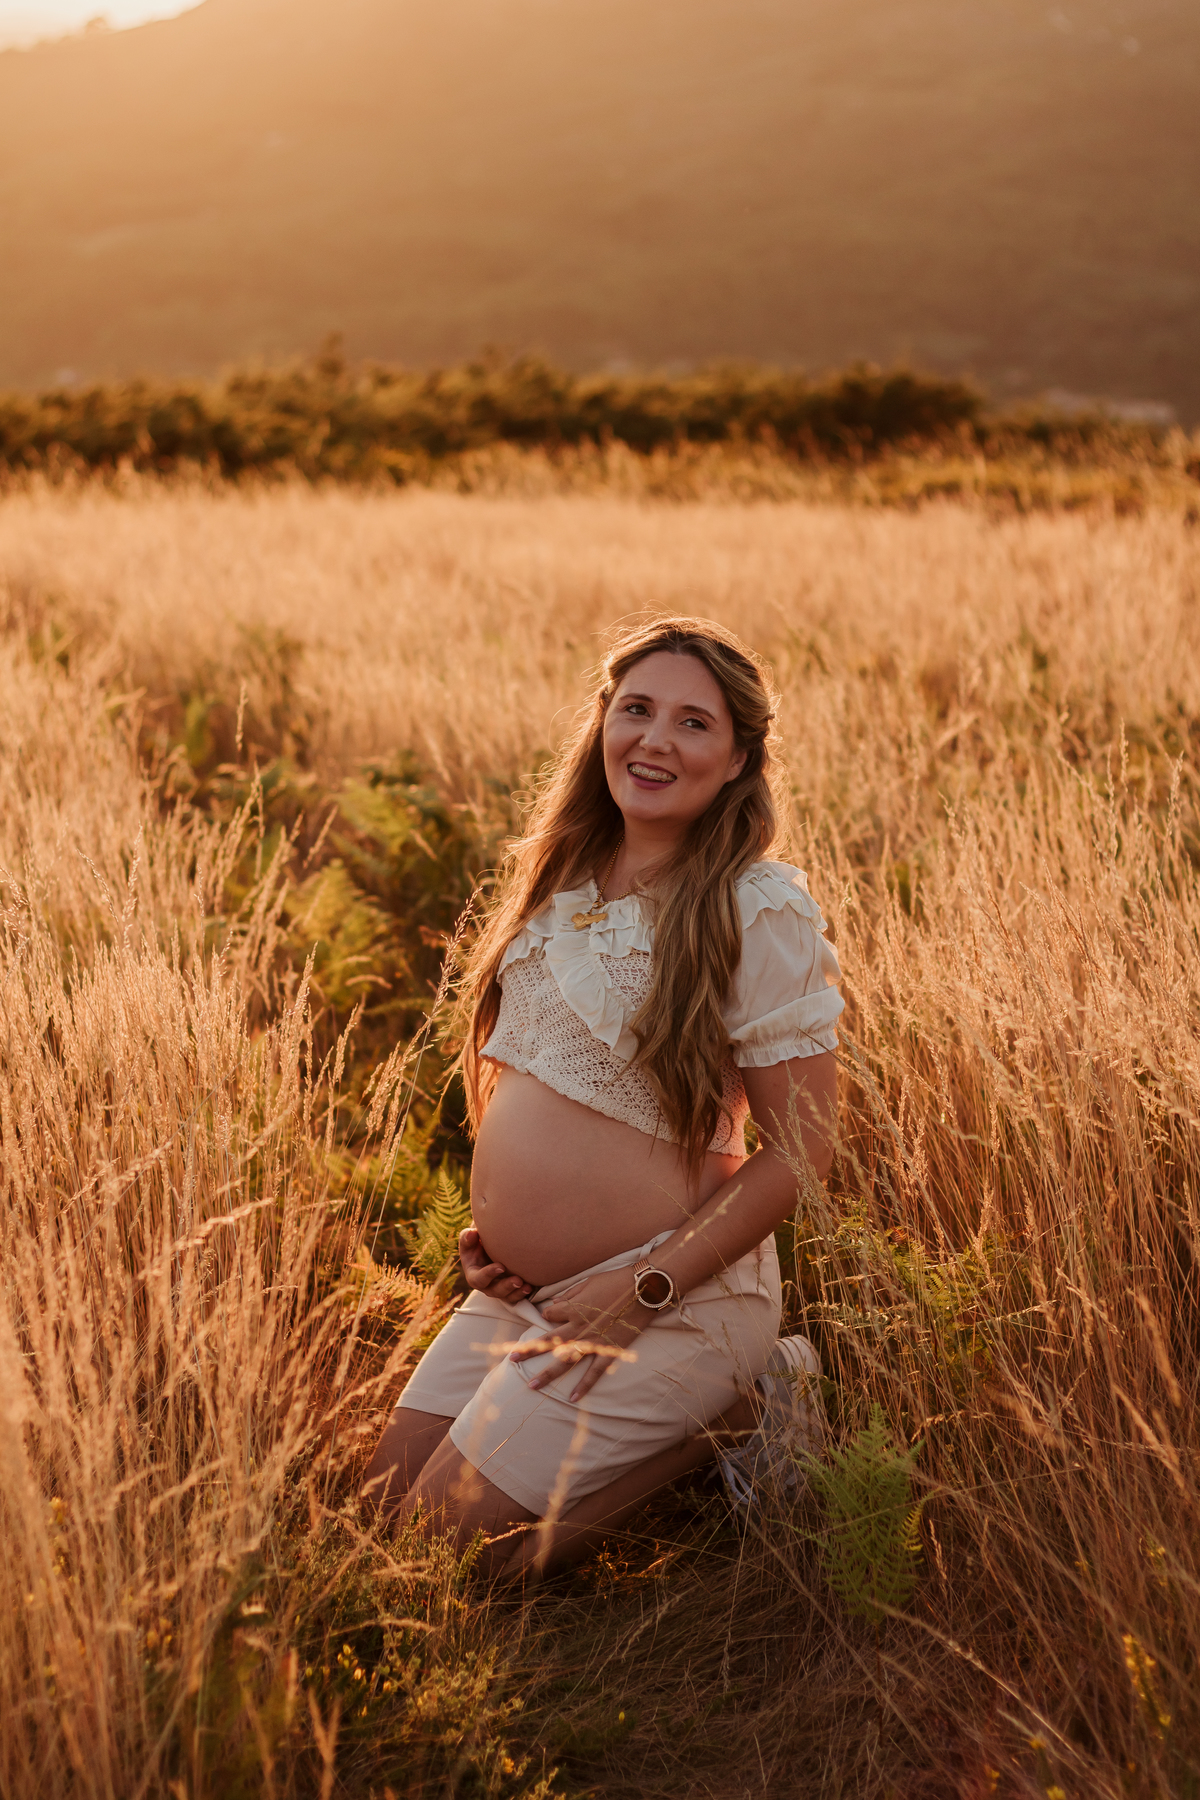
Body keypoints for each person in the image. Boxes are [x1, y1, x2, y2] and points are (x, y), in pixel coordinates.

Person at [362, 616, 843, 1578]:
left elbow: (803, 1156)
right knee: (375, 1515)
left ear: (739, 757)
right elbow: (541, 1080)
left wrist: (640, 1288)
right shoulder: (564, 877)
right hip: (530, 1296)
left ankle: (743, 1412)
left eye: (693, 723)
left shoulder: (758, 907)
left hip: (672, 1294)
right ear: (603, 726)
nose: (656, 740)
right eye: (637, 710)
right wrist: (498, 1236)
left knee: (447, 1559)